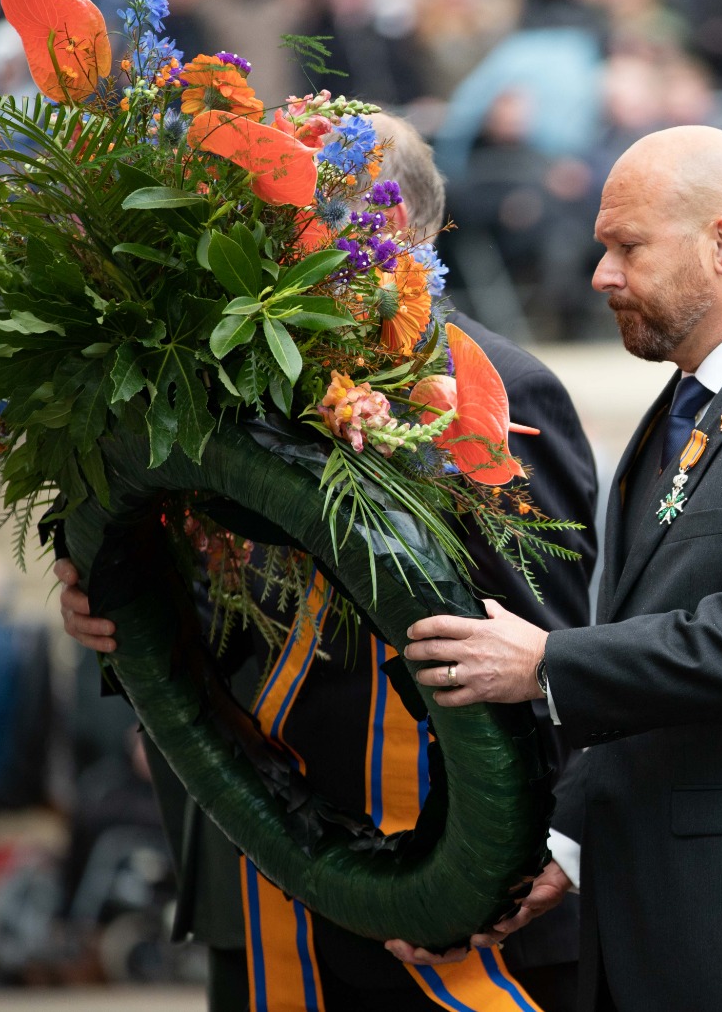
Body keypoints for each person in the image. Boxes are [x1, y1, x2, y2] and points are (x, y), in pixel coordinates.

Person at [56, 114, 599, 1012]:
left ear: (404, 229)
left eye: (312, 214)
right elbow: (196, 591)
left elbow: (557, 641)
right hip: (265, 874)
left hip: (459, 903)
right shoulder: (231, 380)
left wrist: (533, 855)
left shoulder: (489, 383)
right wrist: (115, 607)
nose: (282, 242)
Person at [389, 125, 722, 1011]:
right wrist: (565, 844)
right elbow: (645, 659)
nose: (601, 274)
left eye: (627, 246)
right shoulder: (677, 408)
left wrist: (545, 665)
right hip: (655, 921)